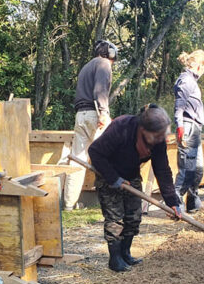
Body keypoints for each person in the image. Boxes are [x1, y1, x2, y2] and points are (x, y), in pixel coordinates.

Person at [88, 104, 182, 272]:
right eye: (156, 136)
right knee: (115, 218)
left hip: (131, 175)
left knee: (134, 216)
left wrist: (172, 201)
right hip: (109, 174)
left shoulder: (159, 140)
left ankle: (126, 253)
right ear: (143, 130)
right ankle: (115, 259)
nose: (161, 139)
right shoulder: (121, 128)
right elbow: (95, 152)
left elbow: (162, 170)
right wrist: (114, 179)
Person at [63, 39, 118, 210]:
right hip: (95, 114)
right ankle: (111, 200)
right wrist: (103, 112)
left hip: (80, 115)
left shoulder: (86, 66)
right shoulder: (103, 64)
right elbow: (100, 91)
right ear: (110, 53)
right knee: (108, 155)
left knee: (77, 160)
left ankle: (69, 205)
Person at [173, 49, 204, 213]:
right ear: (200, 66)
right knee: (187, 167)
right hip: (187, 126)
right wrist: (180, 127)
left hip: (195, 127)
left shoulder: (192, 81)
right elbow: (179, 106)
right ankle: (175, 203)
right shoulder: (186, 80)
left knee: (198, 168)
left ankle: (193, 200)